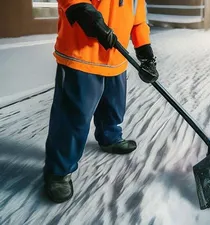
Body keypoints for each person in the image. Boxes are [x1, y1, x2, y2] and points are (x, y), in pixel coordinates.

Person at [43, 0, 159, 203]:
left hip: (115, 58)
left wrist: (146, 55)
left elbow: (138, 20)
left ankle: (110, 137)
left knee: (113, 107)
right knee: (73, 117)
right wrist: (87, 13)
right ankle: (59, 171)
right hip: (82, 56)